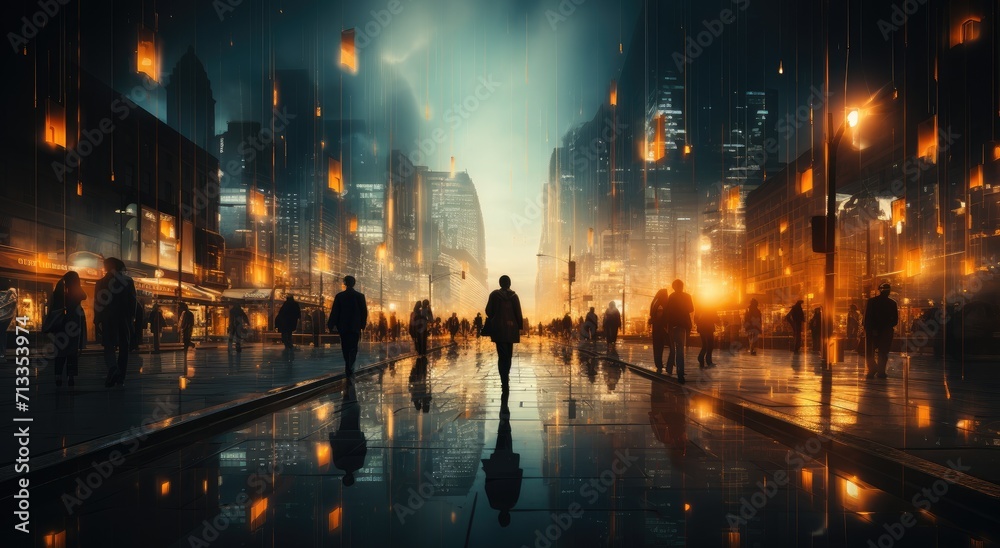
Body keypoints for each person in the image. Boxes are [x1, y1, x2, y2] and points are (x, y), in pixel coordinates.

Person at [481, 389, 522, 527]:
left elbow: (516, 483)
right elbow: (488, 486)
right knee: (501, 440)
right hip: (498, 466)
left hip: (508, 465)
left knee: (505, 439)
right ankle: (504, 420)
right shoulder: (494, 504)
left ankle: (504, 419)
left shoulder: (512, 503)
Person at [94, 258, 137, 387]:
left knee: (108, 345)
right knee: (124, 347)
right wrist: (131, 318)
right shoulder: (128, 282)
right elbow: (133, 301)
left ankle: (113, 368)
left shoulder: (101, 282)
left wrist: (97, 319)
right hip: (123, 318)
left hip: (107, 318)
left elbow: (97, 303)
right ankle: (120, 377)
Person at [485, 275, 524, 391]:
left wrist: (495, 318)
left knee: (502, 356)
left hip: (498, 330)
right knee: (508, 356)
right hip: (511, 330)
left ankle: (504, 379)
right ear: (509, 283)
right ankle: (506, 376)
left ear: (500, 283)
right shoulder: (514, 296)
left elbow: (488, 311)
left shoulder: (494, 295)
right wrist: (519, 326)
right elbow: (518, 313)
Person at [49, 271, 87, 387]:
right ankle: (71, 377)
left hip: (61, 322)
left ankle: (58, 376)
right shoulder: (76, 290)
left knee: (60, 351)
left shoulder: (60, 287)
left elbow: (53, 302)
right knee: (72, 351)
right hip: (74, 322)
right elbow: (84, 296)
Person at [329, 378, 367, 486]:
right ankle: (348, 387)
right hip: (345, 434)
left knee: (352, 410)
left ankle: (349, 387)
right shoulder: (339, 464)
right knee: (347, 411)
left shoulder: (358, 464)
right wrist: (333, 438)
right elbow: (335, 448)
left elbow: (363, 449)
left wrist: (362, 438)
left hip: (352, 434)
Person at [328, 275, 369, 374]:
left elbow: (335, 312)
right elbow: (364, 312)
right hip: (355, 326)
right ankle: (351, 363)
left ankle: (347, 363)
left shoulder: (339, 296)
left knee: (345, 346)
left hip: (343, 326)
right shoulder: (360, 296)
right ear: (354, 283)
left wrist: (331, 324)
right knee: (354, 346)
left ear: (345, 283)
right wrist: (362, 325)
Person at [863, 282, 899, 380]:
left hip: (873, 332)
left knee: (869, 352)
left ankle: (872, 369)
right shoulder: (892, 303)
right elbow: (895, 320)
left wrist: (868, 329)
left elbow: (867, 318)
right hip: (886, 332)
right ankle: (881, 371)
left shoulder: (871, 301)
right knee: (883, 353)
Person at [664, 279, 694, 384]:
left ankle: (671, 369)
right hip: (683, 325)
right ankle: (679, 373)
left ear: (674, 287)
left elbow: (667, 312)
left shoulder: (672, 296)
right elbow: (691, 309)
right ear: (682, 286)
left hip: (673, 325)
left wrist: (666, 325)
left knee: (674, 348)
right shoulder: (687, 296)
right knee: (680, 349)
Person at [649, 287, 672, 372]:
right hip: (661, 328)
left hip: (656, 328)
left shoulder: (655, 302)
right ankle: (660, 364)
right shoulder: (661, 304)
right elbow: (660, 317)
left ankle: (658, 363)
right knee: (661, 346)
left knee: (657, 346)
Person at [0, 282, 17, 361]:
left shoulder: (12, 300)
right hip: (3, 317)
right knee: (2, 334)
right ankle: (2, 353)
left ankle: (2, 353)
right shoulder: (4, 297)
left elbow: (11, 310)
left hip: (4, 319)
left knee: (2, 334)